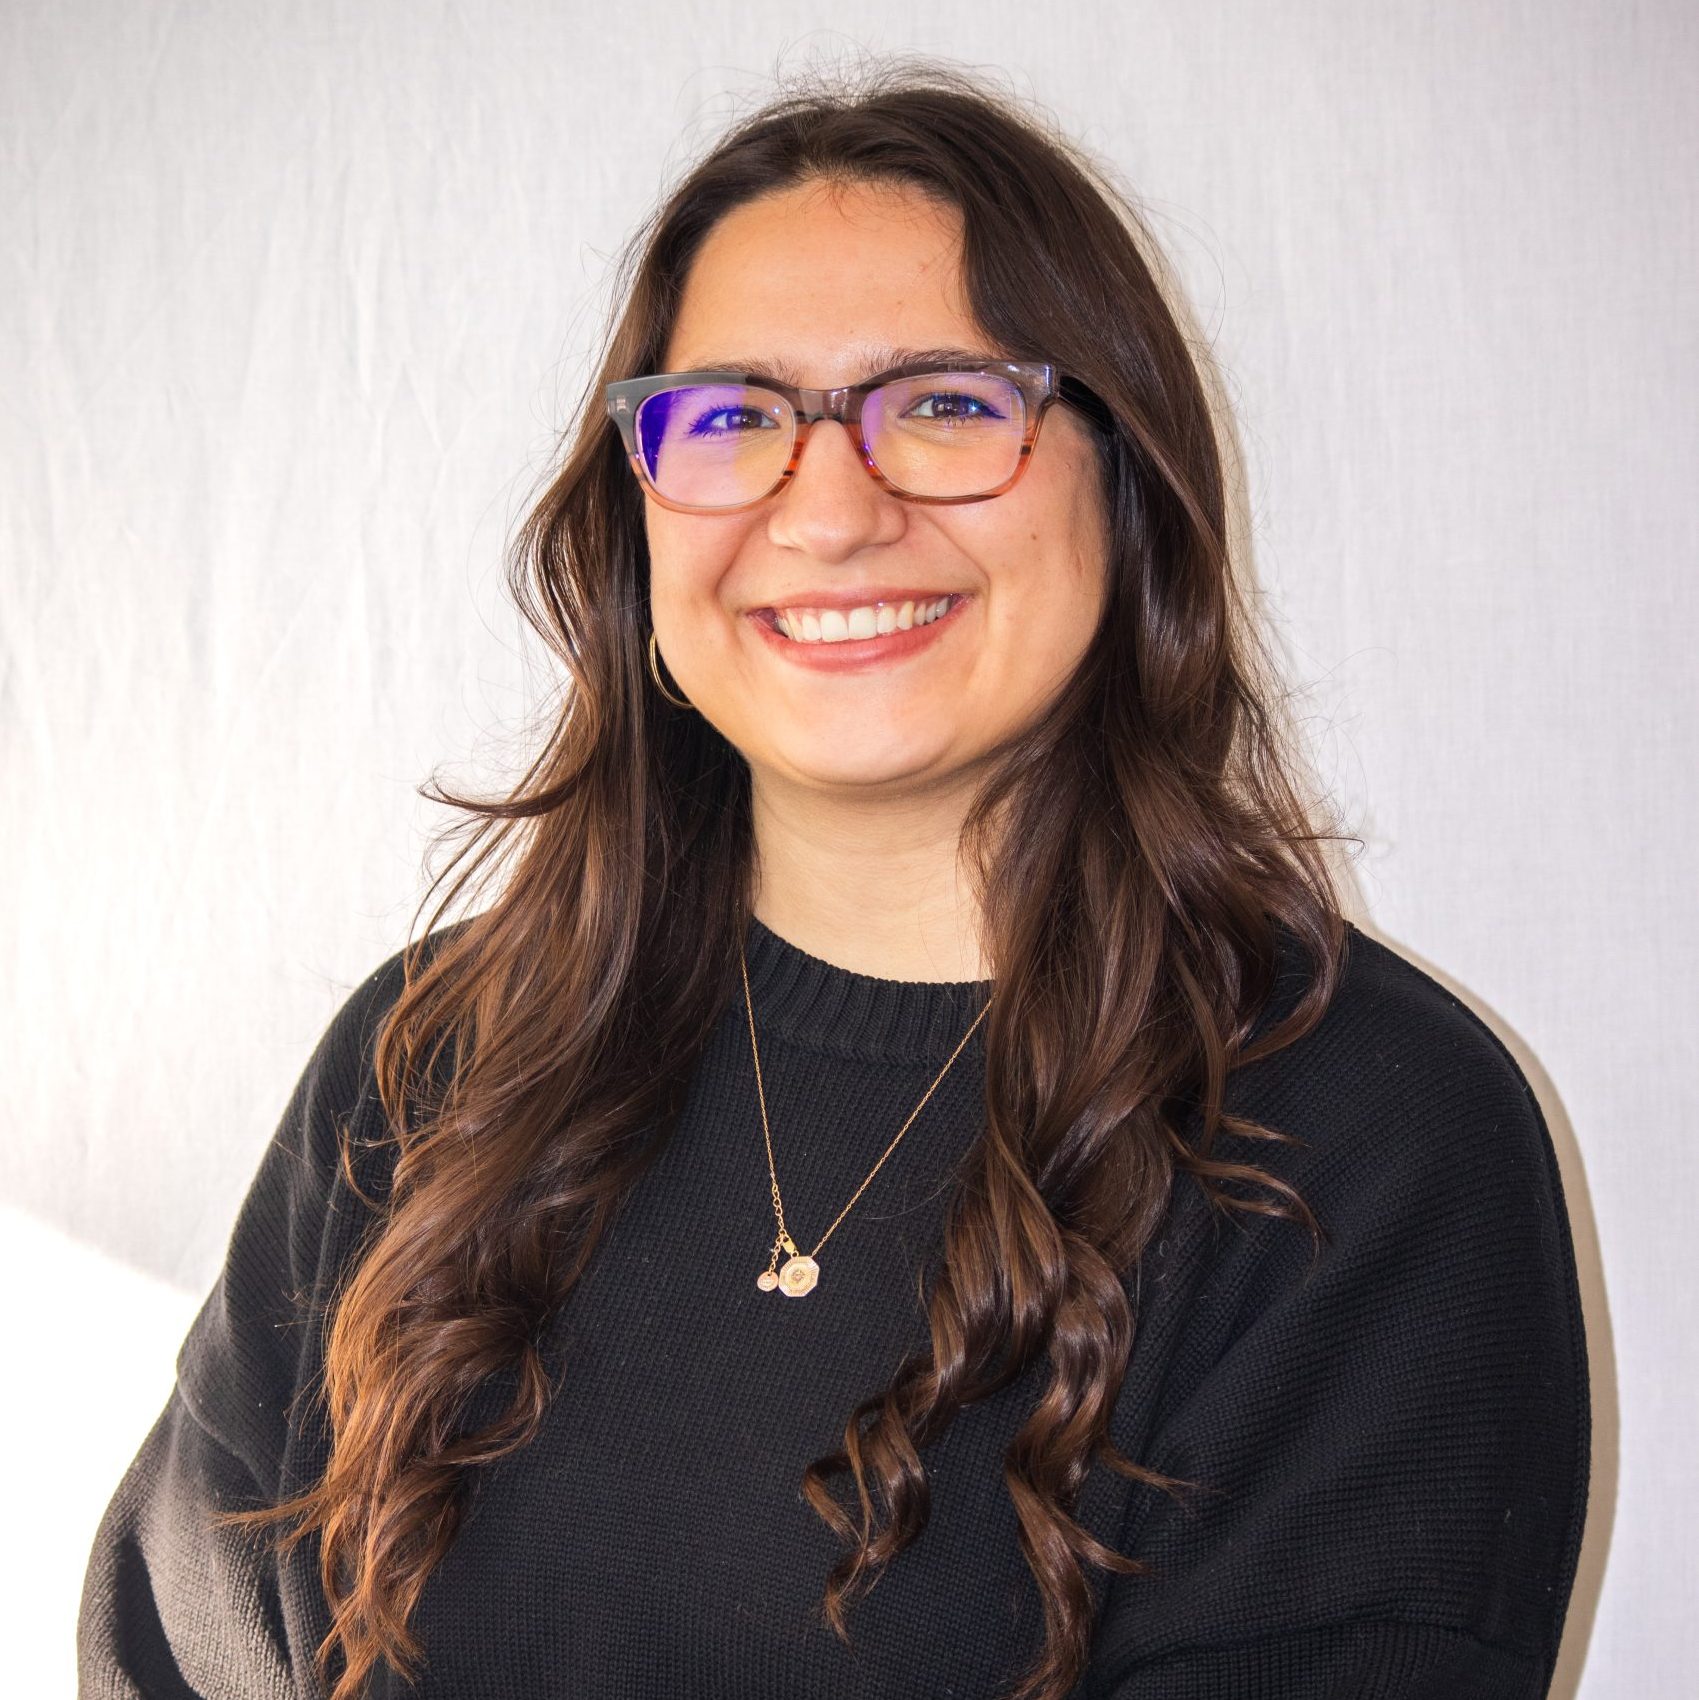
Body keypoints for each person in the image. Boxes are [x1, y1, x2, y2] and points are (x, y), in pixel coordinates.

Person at [77, 58, 1589, 1700]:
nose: (832, 509)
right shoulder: (432, 1062)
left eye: (944, 404)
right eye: (733, 418)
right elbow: (171, 1656)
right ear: (638, 508)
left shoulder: (1368, 1134)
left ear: (1128, 481)